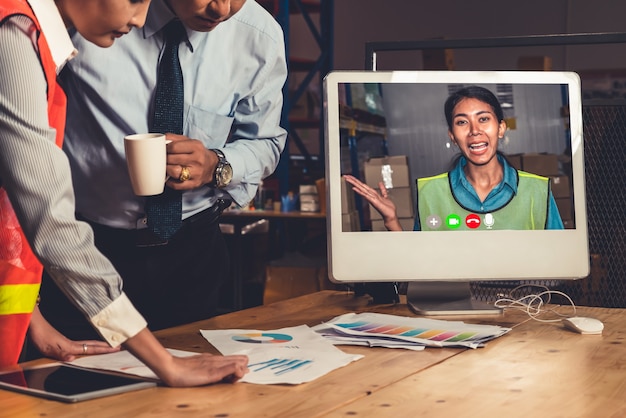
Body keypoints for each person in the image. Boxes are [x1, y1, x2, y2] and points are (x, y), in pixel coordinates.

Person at [0, 0, 248, 385]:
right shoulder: (12, 35)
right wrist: (164, 363)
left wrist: (32, 322)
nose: (139, 18)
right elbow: (51, 222)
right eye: (133, 0)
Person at [37, 0, 288, 340]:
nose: (223, 8)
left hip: (193, 256)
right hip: (86, 248)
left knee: (192, 384)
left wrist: (217, 164)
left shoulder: (259, 36)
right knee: (79, 384)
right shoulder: (93, 14)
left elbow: (266, 143)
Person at [344, 85, 564, 232]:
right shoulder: (431, 192)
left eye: (484, 119)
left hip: (525, 301)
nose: (474, 131)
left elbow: (559, 261)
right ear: (452, 134)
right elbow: (418, 264)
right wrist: (391, 220)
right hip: (455, 302)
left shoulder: (537, 190)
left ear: (500, 128)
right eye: (462, 122)